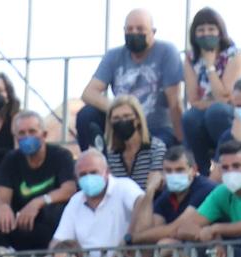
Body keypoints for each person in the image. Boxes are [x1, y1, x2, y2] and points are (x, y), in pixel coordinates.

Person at [79, 9, 184, 152]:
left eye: (140, 29)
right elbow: (88, 93)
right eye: (129, 29)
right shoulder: (113, 55)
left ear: (153, 32)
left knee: (154, 150)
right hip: (121, 127)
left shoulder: (167, 51)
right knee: (87, 114)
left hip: (158, 129)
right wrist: (121, 109)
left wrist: (182, 141)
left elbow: (175, 102)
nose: (134, 33)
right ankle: (94, 163)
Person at [0, 110, 76, 254]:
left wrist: (38, 202)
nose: (27, 137)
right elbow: (1, 197)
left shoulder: (61, 156)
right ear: (15, 138)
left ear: (44, 135)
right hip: (20, 221)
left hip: (48, 221)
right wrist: (3, 207)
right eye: (21, 133)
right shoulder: (11, 159)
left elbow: (69, 189)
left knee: (56, 211)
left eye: (32, 131)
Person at [55, 148, 142, 257]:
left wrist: (127, 239)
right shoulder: (76, 200)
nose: (89, 178)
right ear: (76, 178)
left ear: (107, 172)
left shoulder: (124, 186)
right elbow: (59, 240)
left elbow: (142, 204)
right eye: (83, 174)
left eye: (93, 172)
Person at [184, 7, 241, 172]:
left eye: (211, 29)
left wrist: (209, 65)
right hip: (204, 112)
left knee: (216, 112)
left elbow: (226, 96)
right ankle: (202, 171)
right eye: (201, 30)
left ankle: (224, 161)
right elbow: (193, 100)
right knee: (189, 117)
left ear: (220, 31)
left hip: (228, 112)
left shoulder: (234, 55)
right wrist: (215, 101)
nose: (206, 33)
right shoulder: (191, 58)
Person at [131, 143, 216, 241]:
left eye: (179, 170)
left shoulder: (205, 188)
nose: (173, 175)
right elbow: (147, 230)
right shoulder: (167, 195)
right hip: (184, 248)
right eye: (168, 171)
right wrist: (150, 190)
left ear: (193, 170)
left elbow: (175, 229)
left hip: (212, 249)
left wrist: (132, 238)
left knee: (165, 243)